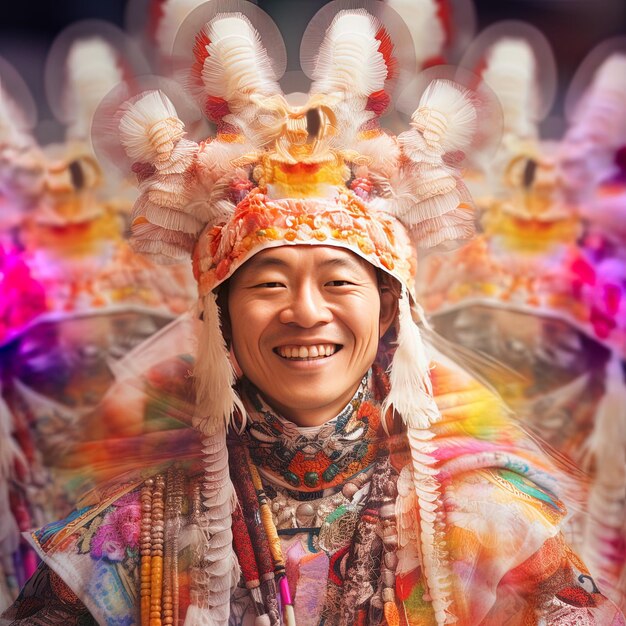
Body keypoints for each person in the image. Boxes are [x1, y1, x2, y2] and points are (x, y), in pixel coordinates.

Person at [2, 3, 625, 625]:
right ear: (217, 315)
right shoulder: (130, 540)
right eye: (269, 283)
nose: (305, 312)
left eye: (337, 282)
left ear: (387, 309)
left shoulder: (494, 530)